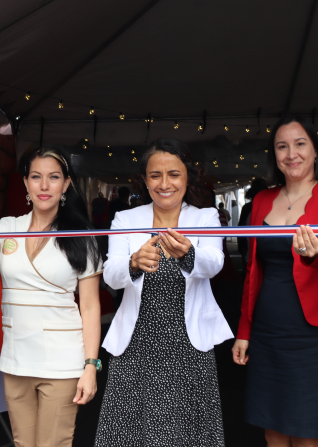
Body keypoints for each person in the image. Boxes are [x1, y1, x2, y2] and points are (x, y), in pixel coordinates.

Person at [0, 147, 101, 447]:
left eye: (53, 177)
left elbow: (89, 306)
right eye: (36, 177)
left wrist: (91, 365)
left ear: (66, 184)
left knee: (53, 444)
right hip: (16, 359)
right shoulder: (6, 227)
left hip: (63, 361)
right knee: (23, 443)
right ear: (25, 183)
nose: (44, 186)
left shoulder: (80, 236)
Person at [95, 137, 232, 447]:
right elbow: (112, 276)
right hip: (137, 344)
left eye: (174, 174)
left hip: (189, 345)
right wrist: (132, 262)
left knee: (187, 432)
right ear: (144, 180)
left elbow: (215, 263)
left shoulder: (205, 217)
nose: (164, 183)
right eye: (155, 175)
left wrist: (188, 255)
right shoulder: (125, 219)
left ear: (187, 177)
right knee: (130, 432)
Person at [231, 116, 318, 447]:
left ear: (315, 150)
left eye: (300, 144)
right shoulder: (260, 201)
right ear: (274, 155)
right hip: (268, 329)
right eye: (282, 146)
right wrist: (244, 330)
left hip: (315, 335)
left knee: (308, 431)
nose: (291, 153)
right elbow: (252, 271)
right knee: (272, 430)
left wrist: (316, 254)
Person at [238, 178, 269, 265]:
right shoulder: (249, 208)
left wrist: (241, 246)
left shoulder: (247, 207)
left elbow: (241, 226)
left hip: (249, 246)